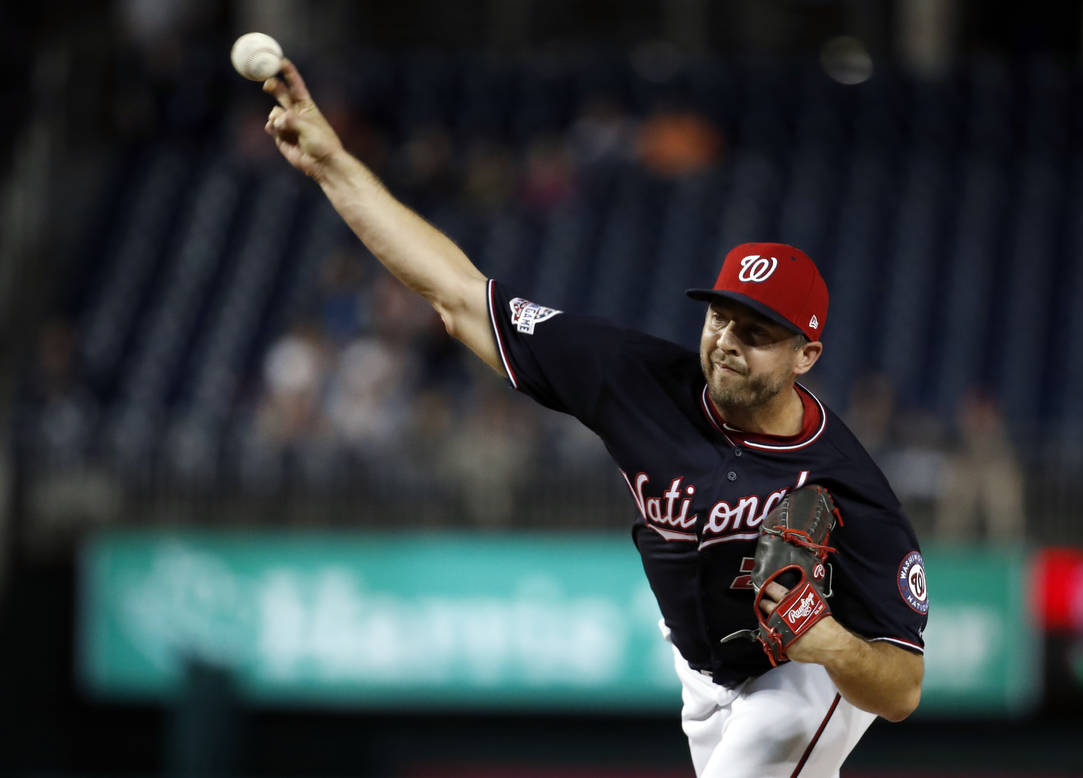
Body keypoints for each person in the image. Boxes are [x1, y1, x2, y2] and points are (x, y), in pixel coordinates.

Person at [261, 59, 926, 778]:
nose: (728, 342)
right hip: (703, 674)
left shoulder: (844, 480)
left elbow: (901, 691)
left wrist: (826, 642)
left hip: (806, 676)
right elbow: (457, 296)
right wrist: (332, 165)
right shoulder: (634, 378)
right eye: (721, 318)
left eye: (757, 332)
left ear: (806, 354)